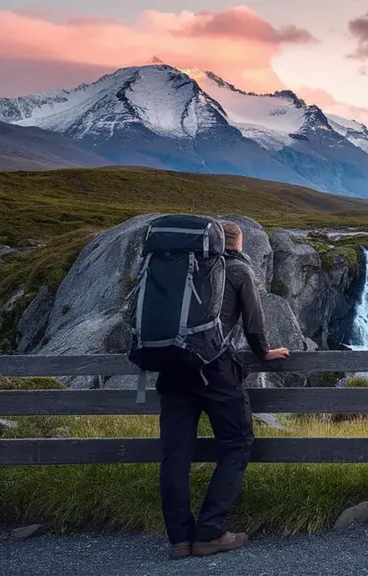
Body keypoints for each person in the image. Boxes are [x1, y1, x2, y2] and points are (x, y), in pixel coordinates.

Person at [156, 220, 290, 559]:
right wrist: (264, 352)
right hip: (215, 369)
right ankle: (210, 532)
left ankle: (179, 540)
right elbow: (254, 324)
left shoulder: (177, 266)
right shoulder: (238, 270)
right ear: (238, 243)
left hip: (171, 369)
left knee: (176, 455)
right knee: (237, 442)